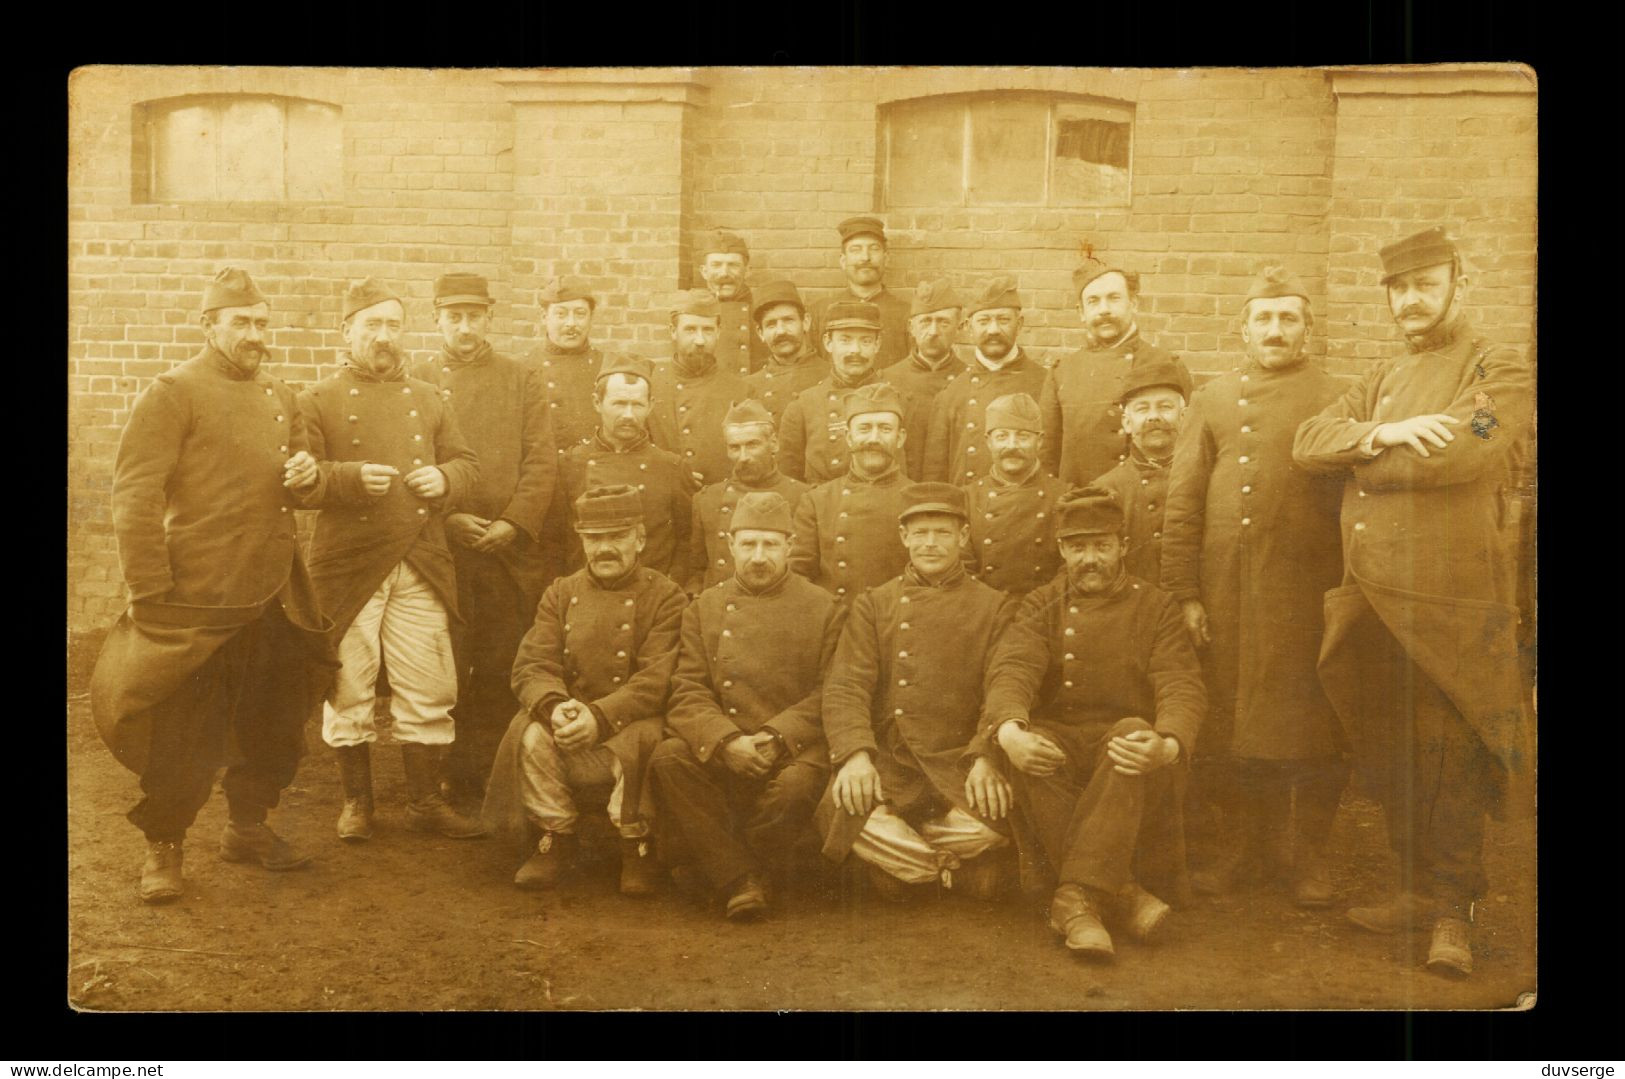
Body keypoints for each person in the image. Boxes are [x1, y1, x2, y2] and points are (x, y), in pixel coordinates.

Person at [1292, 227, 1534, 977]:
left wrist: (1363, 462)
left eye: (1425, 284)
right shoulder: (1381, 378)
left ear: (1457, 284)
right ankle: (1408, 886)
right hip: (1375, 602)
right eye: (1398, 288)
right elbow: (1307, 441)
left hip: (1454, 605)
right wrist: (1384, 429)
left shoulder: (1503, 369)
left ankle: (1450, 913)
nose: (1410, 300)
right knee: (1389, 748)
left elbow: (1467, 445)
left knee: (1452, 757)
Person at [90, 267, 334, 904]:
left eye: (261, 322)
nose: (255, 335)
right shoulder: (173, 393)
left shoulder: (283, 393)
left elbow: (301, 489)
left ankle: (248, 828)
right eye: (241, 323)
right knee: (185, 731)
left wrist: (308, 477)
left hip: (275, 595)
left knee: (277, 722)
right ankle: (164, 845)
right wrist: (149, 592)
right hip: (197, 600)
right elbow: (135, 495)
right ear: (209, 325)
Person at [1161, 267, 1347, 907]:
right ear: (1243, 329)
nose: (1275, 330)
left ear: (1307, 329)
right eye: (1263, 319)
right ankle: (1245, 848)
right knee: (1233, 721)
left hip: (1309, 591)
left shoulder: (1340, 395)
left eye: (1288, 318)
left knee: (1312, 723)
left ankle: (1307, 857)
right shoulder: (1212, 400)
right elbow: (1182, 503)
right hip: (1228, 591)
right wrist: (1186, 593)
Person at [297, 278, 486, 842]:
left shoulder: (429, 398)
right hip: (348, 563)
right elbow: (302, 483)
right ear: (347, 331)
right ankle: (357, 804)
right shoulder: (317, 400)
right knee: (350, 682)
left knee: (428, 681)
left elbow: (469, 465)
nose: (384, 337)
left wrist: (444, 478)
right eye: (372, 325)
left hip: (420, 559)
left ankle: (426, 803)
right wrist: (349, 478)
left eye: (393, 325)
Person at [982, 486, 1206, 960]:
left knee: (1130, 735)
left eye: (1101, 546)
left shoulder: (1156, 606)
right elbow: (1013, 669)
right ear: (1062, 549)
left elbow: (1180, 684)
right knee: (1028, 747)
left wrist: (1167, 742)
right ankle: (1119, 892)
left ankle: (1074, 903)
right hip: (1061, 736)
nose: (1090, 559)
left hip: (1120, 742)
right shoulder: (1041, 604)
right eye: (1078, 547)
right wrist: (1008, 729)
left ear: (1122, 546)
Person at [480, 485, 686, 895]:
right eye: (595, 538)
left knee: (647, 740)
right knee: (531, 733)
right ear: (582, 539)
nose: (605, 548)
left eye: (617, 537)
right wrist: (555, 707)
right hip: (571, 718)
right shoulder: (561, 592)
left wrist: (601, 716)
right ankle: (555, 834)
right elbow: (534, 664)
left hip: (629, 719)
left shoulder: (666, 596)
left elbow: (658, 678)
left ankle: (635, 843)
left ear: (640, 539)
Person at [817, 483, 1017, 902]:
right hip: (894, 758)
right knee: (844, 810)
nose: (930, 543)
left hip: (957, 760)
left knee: (997, 817)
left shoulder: (994, 605)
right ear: (904, 537)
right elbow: (847, 685)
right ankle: (946, 869)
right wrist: (855, 755)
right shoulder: (875, 604)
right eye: (920, 532)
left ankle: (910, 867)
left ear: (963, 537)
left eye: (943, 532)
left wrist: (986, 754)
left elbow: (1003, 687)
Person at [652, 491, 846, 920]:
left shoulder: (824, 607)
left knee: (796, 788)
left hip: (791, 745)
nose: (759, 557)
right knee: (669, 759)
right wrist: (725, 742)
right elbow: (686, 689)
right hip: (728, 742)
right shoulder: (704, 607)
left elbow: (831, 692)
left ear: (789, 547)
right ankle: (744, 879)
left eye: (770, 545)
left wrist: (776, 737)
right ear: (731, 545)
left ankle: (722, 872)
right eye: (749, 544)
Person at [411, 272, 557, 806]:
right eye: (454, 317)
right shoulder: (418, 380)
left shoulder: (521, 379)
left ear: (489, 318)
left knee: (499, 662)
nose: (465, 327)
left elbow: (541, 462)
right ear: (437, 319)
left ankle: (488, 769)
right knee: (443, 661)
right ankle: (442, 773)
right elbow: (412, 462)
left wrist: (513, 523)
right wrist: (447, 520)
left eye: (474, 316)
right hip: (442, 548)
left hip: (504, 551)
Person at [1040, 260, 1187, 486]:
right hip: (1083, 507)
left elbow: (1190, 449)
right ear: (1081, 312)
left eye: (1114, 298)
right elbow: (1047, 459)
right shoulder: (1062, 373)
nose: (1104, 309)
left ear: (1134, 303)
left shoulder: (1168, 364)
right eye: (1093, 301)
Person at [558, 353, 695, 580]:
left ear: (650, 406)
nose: (628, 415)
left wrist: (672, 586)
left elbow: (687, 540)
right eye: (619, 404)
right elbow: (556, 542)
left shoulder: (671, 467)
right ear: (597, 403)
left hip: (651, 596)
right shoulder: (570, 464)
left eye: (637, 405)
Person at [789, 382, 913, 601]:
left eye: (885, 429)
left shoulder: (917, 499)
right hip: (836, 623)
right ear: (849, 437)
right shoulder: (817, 501)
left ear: (900, 437)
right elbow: (798, 576)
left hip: (893, 624)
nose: (874, 439)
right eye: (864, 429)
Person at [924, 276, 1047, 485]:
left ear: (1020, 324)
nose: (993, 330)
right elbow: (935, 474)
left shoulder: (1045, 383)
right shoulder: (951, 392)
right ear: (969, 327)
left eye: (1003, 320)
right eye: (984, 321)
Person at [686, 398, 809, 594]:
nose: (743, 457)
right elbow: (697, 570)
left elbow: (805, 569)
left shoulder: (804, 497)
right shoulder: (707, 499)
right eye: (735, 447)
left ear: (774, 443)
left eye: (752, 445)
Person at [1090, 360, 1193, 586]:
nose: (1154, 417)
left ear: (1184, 417)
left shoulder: (1204, 479)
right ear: (1127, 423)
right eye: (1142, 408)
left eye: (1165, 407)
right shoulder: (1104, 489)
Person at [530, 275, 606, 575]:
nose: (570, 323)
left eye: (580, 314)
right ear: (544, 317)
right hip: (541, 499)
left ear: (591, 318)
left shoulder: (607, 366)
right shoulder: (522, 370)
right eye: (561, 314)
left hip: (591, 495)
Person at [961, 393, 1063, 597]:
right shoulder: (968, 498)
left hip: (1043, 615)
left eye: (1023, 436)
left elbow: (1067, 571)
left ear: (1040, 441)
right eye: (1002, 436)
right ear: (988, 442)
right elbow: (963, 570)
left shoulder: (1063, 496)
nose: (1012, 445)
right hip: (985, 613)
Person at [649, 289, 752, 488]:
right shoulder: (652, 383)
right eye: (690, 330)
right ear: (673, 331)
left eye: (707, 330)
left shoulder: (741, 390)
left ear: (719, 332)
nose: (700, 340)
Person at [776, 300, 885, 484]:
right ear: (828, 343)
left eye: (865, 341)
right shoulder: (803, 405)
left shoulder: (898, 399)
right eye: (845, 340)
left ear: (877, 344)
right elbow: (789, 482)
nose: (855, 350)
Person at [880, 279, 964, 479]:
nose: (934, 332)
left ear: (958, 327)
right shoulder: (886, 379)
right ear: (911, 327)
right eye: (925, 321)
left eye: (943, 322)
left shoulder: (969, 379)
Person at [807, 215, 911, 367]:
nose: (865, 257)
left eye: (874, 249)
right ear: (843, 261)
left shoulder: (907, 313)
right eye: (856, 250)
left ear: (886, 259)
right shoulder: (819, 312)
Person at [741, 279, 826, 424]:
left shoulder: (830, 375)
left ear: (805, 322)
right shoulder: (748, 387)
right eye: (771, 324)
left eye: (788, 320)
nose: (781, 331)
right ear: (760, 332)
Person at [698, 229, 770, 376]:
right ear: (704, 271)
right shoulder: (692, 312)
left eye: (733, 265)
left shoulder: (764, 309)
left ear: (747, 271)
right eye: (716, 265)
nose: (724, 273)